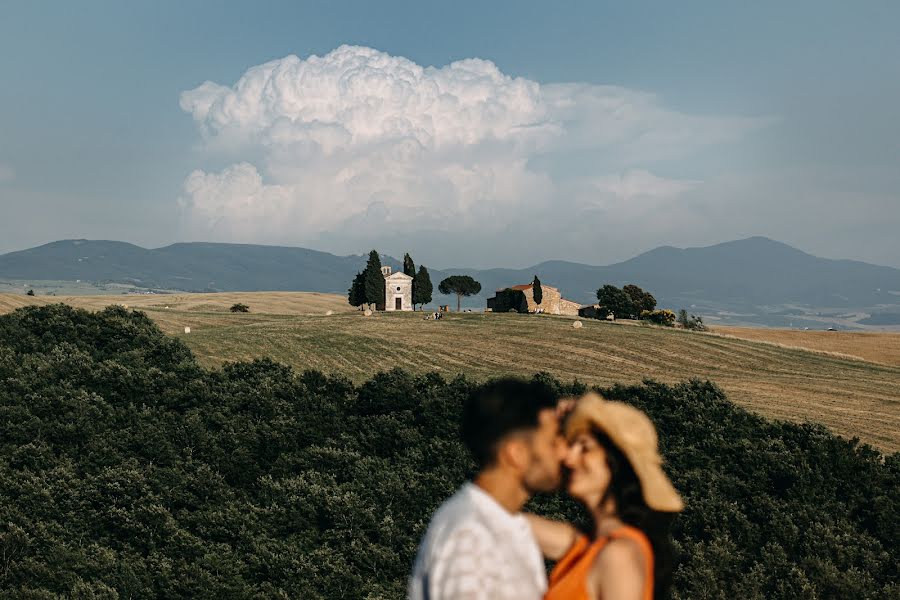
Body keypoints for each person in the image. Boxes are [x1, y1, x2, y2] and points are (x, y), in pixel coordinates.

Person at [408, 378, 567, 600]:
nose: (563, 453)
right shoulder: (470, 537)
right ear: (516, 454)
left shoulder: (501, 523)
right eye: (552, 443)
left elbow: (604, 542)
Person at [527, 393, 683, 600]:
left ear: (617, 462)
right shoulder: (588, 543)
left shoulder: (619, 555)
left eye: (585, 447)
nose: (569, 459)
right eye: (571, 445)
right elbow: (494, 513)